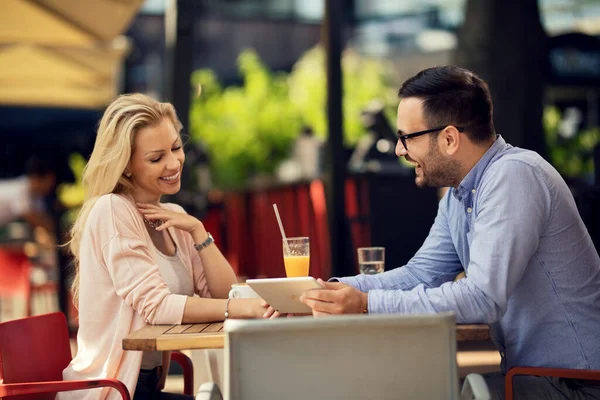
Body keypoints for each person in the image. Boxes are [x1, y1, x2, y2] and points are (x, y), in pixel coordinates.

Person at [300, 66, 600, 399]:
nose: (399, 150)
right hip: (534, 378)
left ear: (449, 139)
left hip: (578, 383)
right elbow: (421, 274)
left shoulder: (513, 176)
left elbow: (481, 298)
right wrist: (330, 291)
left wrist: (365, 303)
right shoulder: (460, 196)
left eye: (406, 137)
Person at [60, 94, 274, 400]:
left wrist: (199, 231)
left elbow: (224, 294)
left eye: (176, 148)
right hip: (111, 391)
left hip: (143, 387)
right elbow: (158, 306)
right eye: (156, 158)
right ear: (127, 166)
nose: (174, 163)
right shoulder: (111, 210)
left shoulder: (177, 217)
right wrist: (239, 308)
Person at [0, 156, 56, 235]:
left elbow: (43, 217)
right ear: (36, 178)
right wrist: (57, 234)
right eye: (48, 182)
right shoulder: (21, 189)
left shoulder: (37, 196)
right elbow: (33, 218)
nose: (50, 186)